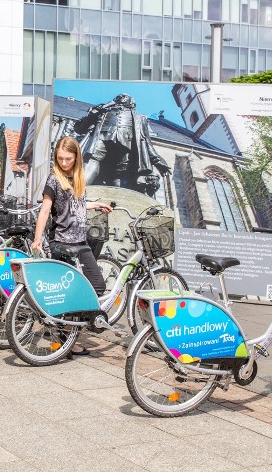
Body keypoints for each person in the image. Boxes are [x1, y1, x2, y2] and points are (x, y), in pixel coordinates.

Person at [31, 136, 112, 357]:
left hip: (80, 241)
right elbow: (45, 210)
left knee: (89, 287)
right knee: (85, 287)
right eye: (60, 159)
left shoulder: (77, 178)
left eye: (68, 158)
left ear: (76, 157)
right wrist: (38, 238)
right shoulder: (53, 179)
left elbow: (75, 203)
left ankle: (64, 331)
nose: (64, 162)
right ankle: (68, 337)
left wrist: (95, 205)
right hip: (62, 243)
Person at [75, 93, 171, 196]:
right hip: (102, 137)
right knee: (91, 159)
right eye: (118, 97)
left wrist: (157, 161)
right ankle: (77, 192)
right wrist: (94, 112)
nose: (120, 97)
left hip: (127, 144)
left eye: (124, 96)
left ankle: (119, 202)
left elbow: (146, 141)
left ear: (132, 103)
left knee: (122, 174)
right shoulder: (103, 111)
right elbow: (79, 129)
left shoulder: (140, 118)